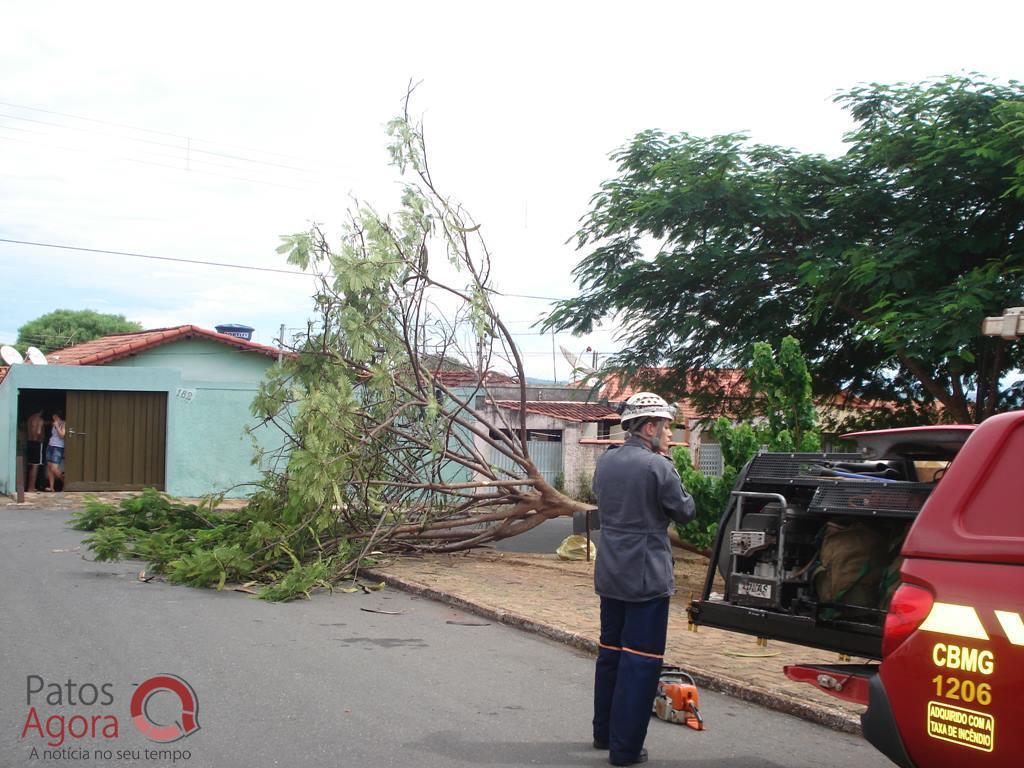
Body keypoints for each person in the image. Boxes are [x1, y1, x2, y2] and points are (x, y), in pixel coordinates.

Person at [591, 392, 695, 767]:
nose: (669, 434)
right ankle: (625, 750)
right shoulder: (658, 466)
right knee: (640, 663)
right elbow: (685, 511)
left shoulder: (606, 462)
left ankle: (603, 734)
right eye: (666, 427)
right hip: (646, 577)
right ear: (649, 427)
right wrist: (670, 465)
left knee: (611, 657)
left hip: (611, 573)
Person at [45, 411, 66, 492]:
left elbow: (62, 435)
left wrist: (57, 426)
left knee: (54, 468)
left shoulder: (64, 423)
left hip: (58, 447)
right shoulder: (53, 424)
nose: (53, 419)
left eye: (55, 417)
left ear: (58, 416)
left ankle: (65, 481)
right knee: (50, 467)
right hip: (50, 445)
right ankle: (51, 487)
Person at [26, 408, 45, 492]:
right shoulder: (40, 420)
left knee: (31, 465)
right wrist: (39, 439)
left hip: (29, 442)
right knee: (35, 466)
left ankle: (29, 486)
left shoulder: (29, 418)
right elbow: (38, 432)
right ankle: (31, 488)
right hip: (37, 443)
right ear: (41, 411)